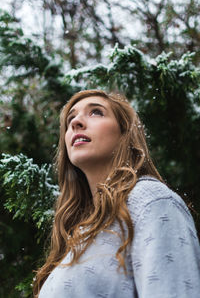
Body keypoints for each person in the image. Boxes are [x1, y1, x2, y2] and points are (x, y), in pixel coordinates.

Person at [34, 89, 200, 298]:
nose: (76, 122)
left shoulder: (150, 200)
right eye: (70, 119)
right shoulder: (79, 232)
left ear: (125, 134)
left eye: (96, 112)